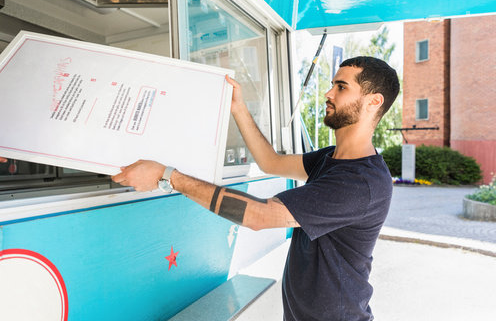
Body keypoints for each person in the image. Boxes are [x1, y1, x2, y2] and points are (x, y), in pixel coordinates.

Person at [112, 56, 400, 321]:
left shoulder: (361, 183)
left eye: (341, 87)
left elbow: (259, 216)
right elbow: (270, 162)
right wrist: (237, 107)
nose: (328, 93)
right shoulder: (330, 158)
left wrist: (169, 176)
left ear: (374, 101)